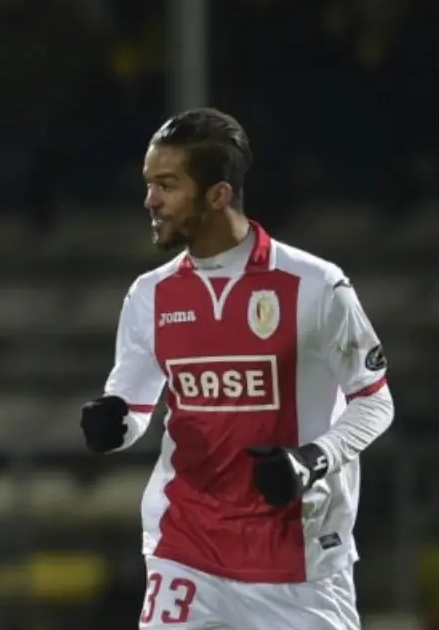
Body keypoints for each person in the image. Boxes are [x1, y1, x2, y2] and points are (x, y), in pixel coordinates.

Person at [79, 108, 393, 629]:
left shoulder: (316, 285)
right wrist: (114, 422)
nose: (150, 200)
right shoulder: (149, 295)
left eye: (166, 185)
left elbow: (375, 400)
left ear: (218, 195)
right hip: (186, 549)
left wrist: (312, 460)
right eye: (149, 184)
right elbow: (133, 404)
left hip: (297, 560)